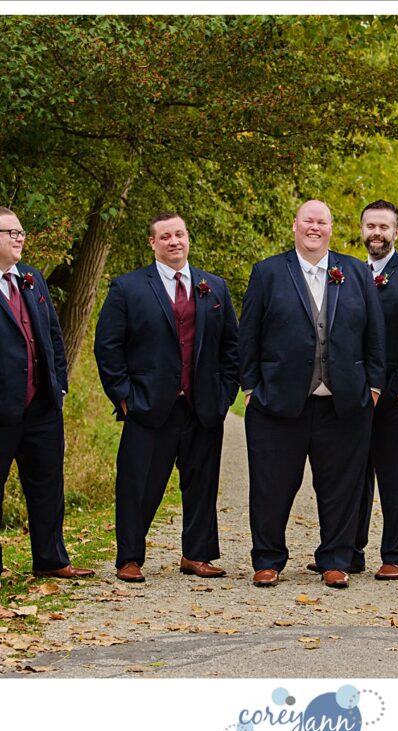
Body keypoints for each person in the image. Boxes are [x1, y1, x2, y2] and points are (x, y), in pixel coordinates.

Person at [240, 199, 385, 588]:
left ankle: (335, 559)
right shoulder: (268, 272)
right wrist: (251, 386)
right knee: (271, 486)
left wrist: (372, 386)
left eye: (322, 221)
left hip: (343, 404)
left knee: (341, 487)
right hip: (278, 403)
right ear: (295, 226)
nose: (315, 227)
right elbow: (248, 334)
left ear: (331, 229)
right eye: (308, 220)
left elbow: (375, 334)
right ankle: (267, 559)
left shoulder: (355, 271)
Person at [94, 212, 239, 583]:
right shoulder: (128, 288)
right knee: (137, 484)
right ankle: (129, 557)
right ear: (152, 243)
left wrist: (223, 396)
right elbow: (108, 348)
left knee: (202, 483)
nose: (174, 241)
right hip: (147, 406)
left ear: (188, 238)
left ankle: (198, 554)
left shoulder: (214, 287)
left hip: (202, 406)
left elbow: (231, 347)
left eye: (179, 234)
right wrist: (124, 397)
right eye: (165, 236)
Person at [0, 207, 93, 592]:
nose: (20, 238)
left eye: (21, 233)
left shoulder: (32, 278)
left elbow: (52, 336)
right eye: (11, 232)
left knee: (48, 486)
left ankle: (51, 560)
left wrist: (59, 385)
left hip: (42, 407)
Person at [345, 200, 398, 580]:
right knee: (350, 477)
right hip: (351, 396)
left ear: (396, 232)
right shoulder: (345, 273)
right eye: (370, 226)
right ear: (361, 230)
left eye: (383, 227)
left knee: (391, 477)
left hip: (391, 399)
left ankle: (395, 553)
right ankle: (349, 551)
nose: (376, 233)